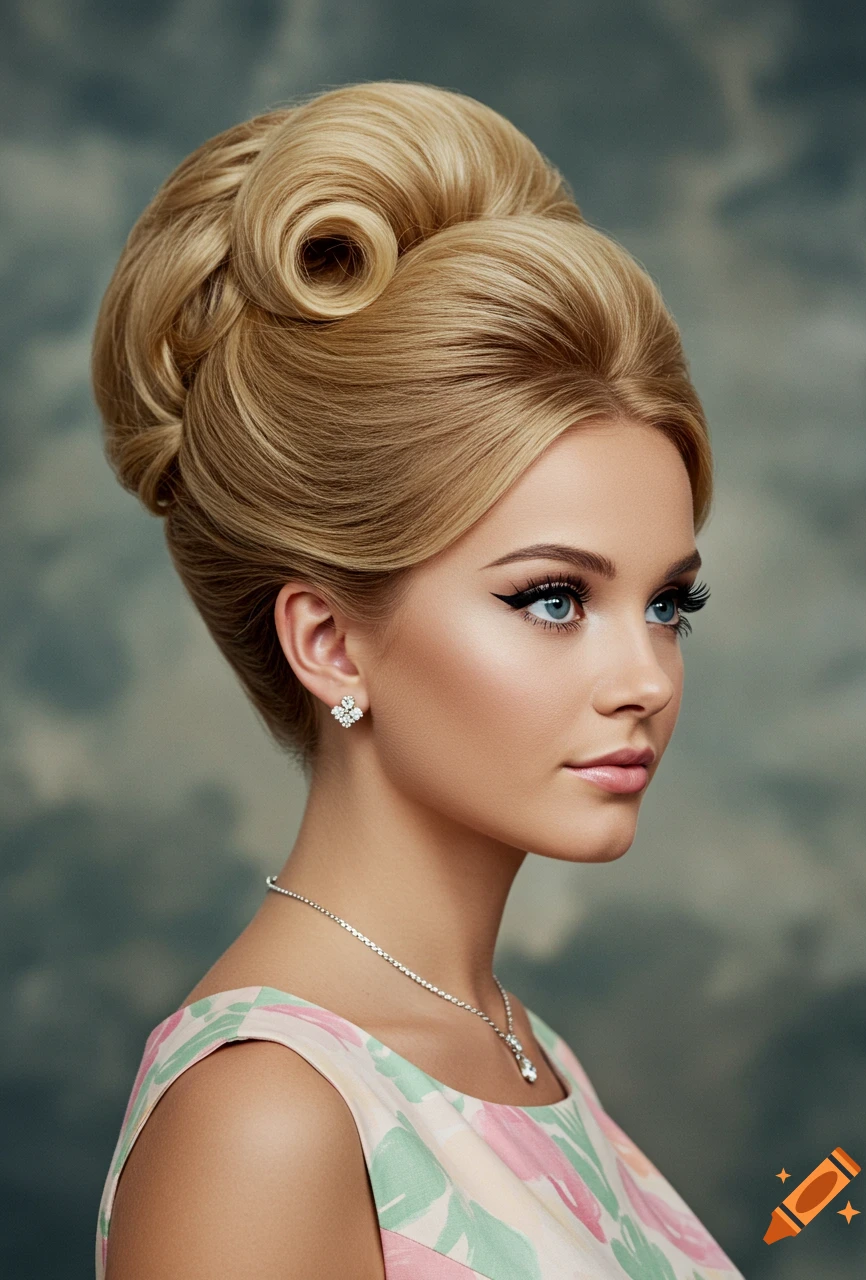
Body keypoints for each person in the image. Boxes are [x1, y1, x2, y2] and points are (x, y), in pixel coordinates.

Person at [91, 79, 745, 1280]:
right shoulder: (266, 1118)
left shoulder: (521, 1049)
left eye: (667, 604)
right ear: (329, 642)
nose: (644, 677)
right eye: (552, 598)